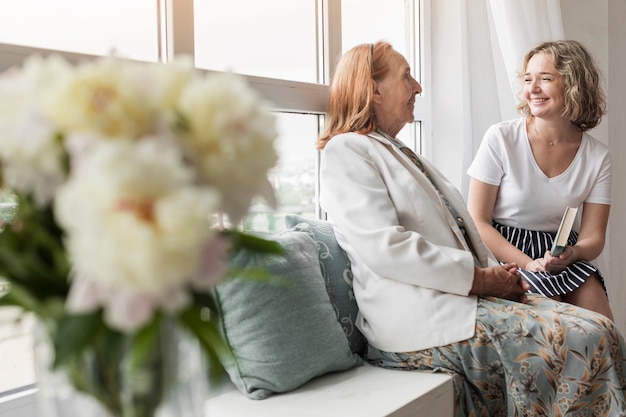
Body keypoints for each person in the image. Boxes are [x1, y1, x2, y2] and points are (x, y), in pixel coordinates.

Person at [317, 41, 626, 416]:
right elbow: (386, 249)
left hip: (462, 302)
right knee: (589, 339)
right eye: (406, 77)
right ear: (373, 90)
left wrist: (497, 282)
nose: (418, 87)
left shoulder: (398, 152)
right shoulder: (347, 151)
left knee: (600, 328)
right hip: (416, 322)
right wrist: (481, 279)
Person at [466, 40, 614, 321]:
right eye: (528, 79)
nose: (532, 89)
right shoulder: (501, 138)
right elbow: (478, 222)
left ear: (574, 85)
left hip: (560, 255)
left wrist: (571, 253)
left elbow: (594, 237)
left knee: (604, 326)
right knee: (555, 324)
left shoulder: (598, 156)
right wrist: (528, 264)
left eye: (545, 79)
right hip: (504, 250)